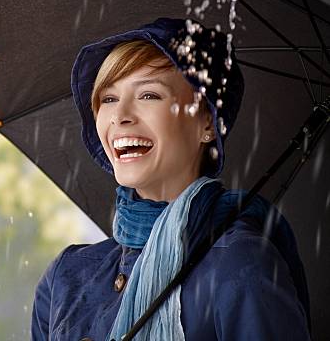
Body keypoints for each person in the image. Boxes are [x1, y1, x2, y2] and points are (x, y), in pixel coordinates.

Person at [31, 18, 311, 340]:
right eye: (108, 98)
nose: (120, 115)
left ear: (207, 121)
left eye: (149, 95)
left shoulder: (240, 264)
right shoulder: (66, 277)